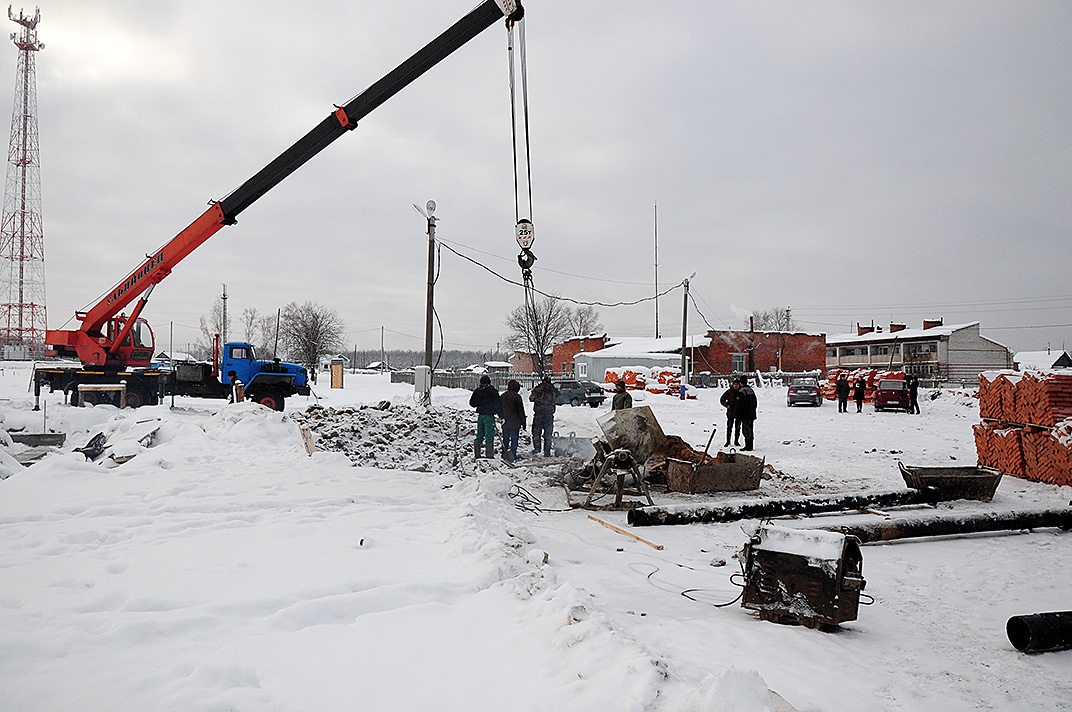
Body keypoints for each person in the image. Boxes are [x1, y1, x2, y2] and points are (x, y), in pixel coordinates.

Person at [468, 374, 502, 459]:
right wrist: (502, 416)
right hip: (489, 417)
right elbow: (498, 405)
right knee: (489, 436)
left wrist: (480, 402)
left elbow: (472, 403)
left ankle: (477, 454)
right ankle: (489, 455)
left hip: (481, 416)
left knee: (479, 434)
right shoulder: (493, 391)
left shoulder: (477, 391)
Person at [530, 376, 560, 457]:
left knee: (536, 432)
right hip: (549, 415)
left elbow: (534, 391)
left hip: (538, 414)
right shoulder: (552, 390)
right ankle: (547, 451)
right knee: (548, 434)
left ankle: (537, 448)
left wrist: (542, 385)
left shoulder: (540, 388)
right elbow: (558, 394)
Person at [500, 379, 526, 462]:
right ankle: (513, 454)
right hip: (515, 422)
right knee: (514, 439)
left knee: (505, 439)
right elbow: (520, 410)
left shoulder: (503, 396)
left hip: (506, 422)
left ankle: (504, 453)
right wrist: (523, 421)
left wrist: (501, 416)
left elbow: (499, 408)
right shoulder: (517, 397)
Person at [734, 376, 758, 451]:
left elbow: (739, 404)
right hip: (752, 414)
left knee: (746, 430)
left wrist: (737, 414)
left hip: (745, 415)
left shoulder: (742, 391)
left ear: (741, 383)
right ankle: (750, 445)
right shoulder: (751, 390)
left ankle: (748, 446)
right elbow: (755, 403)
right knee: (750, 429)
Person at [720, 378, 742, 447]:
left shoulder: (741, 392)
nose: (735, 386)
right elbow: (722, 399)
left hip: (738, 412)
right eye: (734, 384)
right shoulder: (729, 392)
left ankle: (736, 441)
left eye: (737, 384)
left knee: (737, 428)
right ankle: (728, 441)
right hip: (730, 413)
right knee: (729, 427)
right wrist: (726, 405)